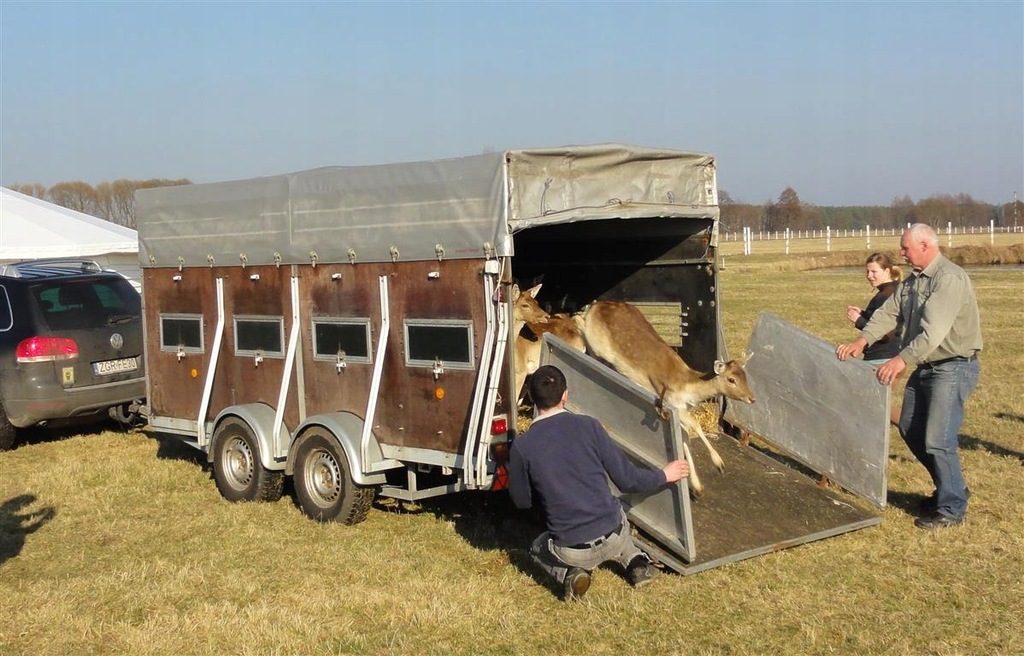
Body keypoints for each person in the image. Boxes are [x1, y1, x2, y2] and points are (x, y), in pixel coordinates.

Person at [836, 223, 982, 530]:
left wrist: (900, 361)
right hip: (927, 366)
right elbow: (889, 314)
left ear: (926, 246)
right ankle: (950, 487)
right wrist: (860, 341)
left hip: (953, 366)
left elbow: (933, 332)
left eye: (905, 248)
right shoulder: (912, 281)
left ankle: (952, 508)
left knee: (938, 439)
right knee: (910, 427)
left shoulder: (949, 279)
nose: (901, 253)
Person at [507, 364, 689, 600]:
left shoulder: (523, 446)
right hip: (614, 534)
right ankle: (635, 561)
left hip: (571, 550)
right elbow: (628, 481)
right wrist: (665, 474)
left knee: (537, 547)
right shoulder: (589, 426)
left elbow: (521, 502)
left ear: (530, 397)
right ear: (565, 395)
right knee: (617, 506)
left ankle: (569, 575)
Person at [846, 252, 903, 364]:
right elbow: (877, 319)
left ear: (886, 271)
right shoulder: (893, 290)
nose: (869, 276)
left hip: (882, 358)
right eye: (867, 271)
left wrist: (859, 320)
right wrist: (863, 314)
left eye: (874, 272)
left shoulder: (886, 296)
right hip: (890, 356)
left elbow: (886, 334)